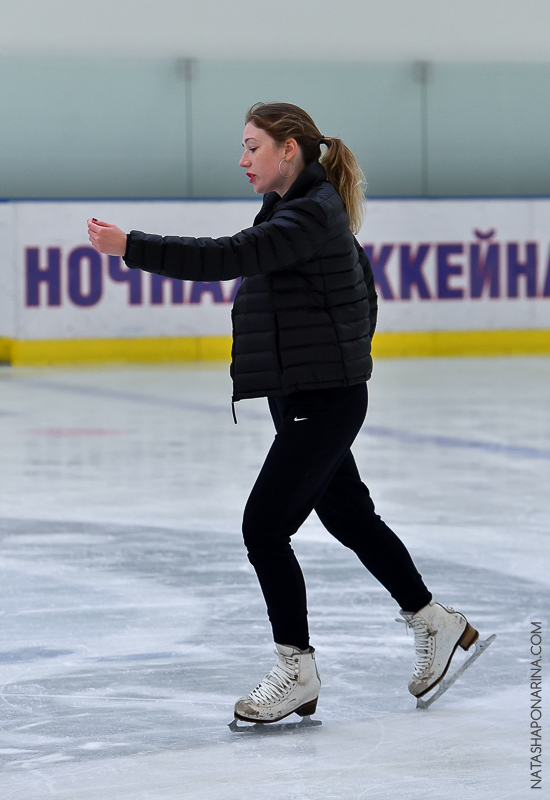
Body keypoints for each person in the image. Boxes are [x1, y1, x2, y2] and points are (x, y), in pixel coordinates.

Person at [87, 101, 479, 724]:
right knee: (351, 517)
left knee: (264, 529)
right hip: (312, 395)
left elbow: (227, 258)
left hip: (321, 400)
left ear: (288, 150)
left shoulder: (310, 214)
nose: (242, 160)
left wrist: (131, 246)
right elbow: (362, 292)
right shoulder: (296, 208)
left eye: (252, 147)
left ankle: (295, 668)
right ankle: (437, 621)